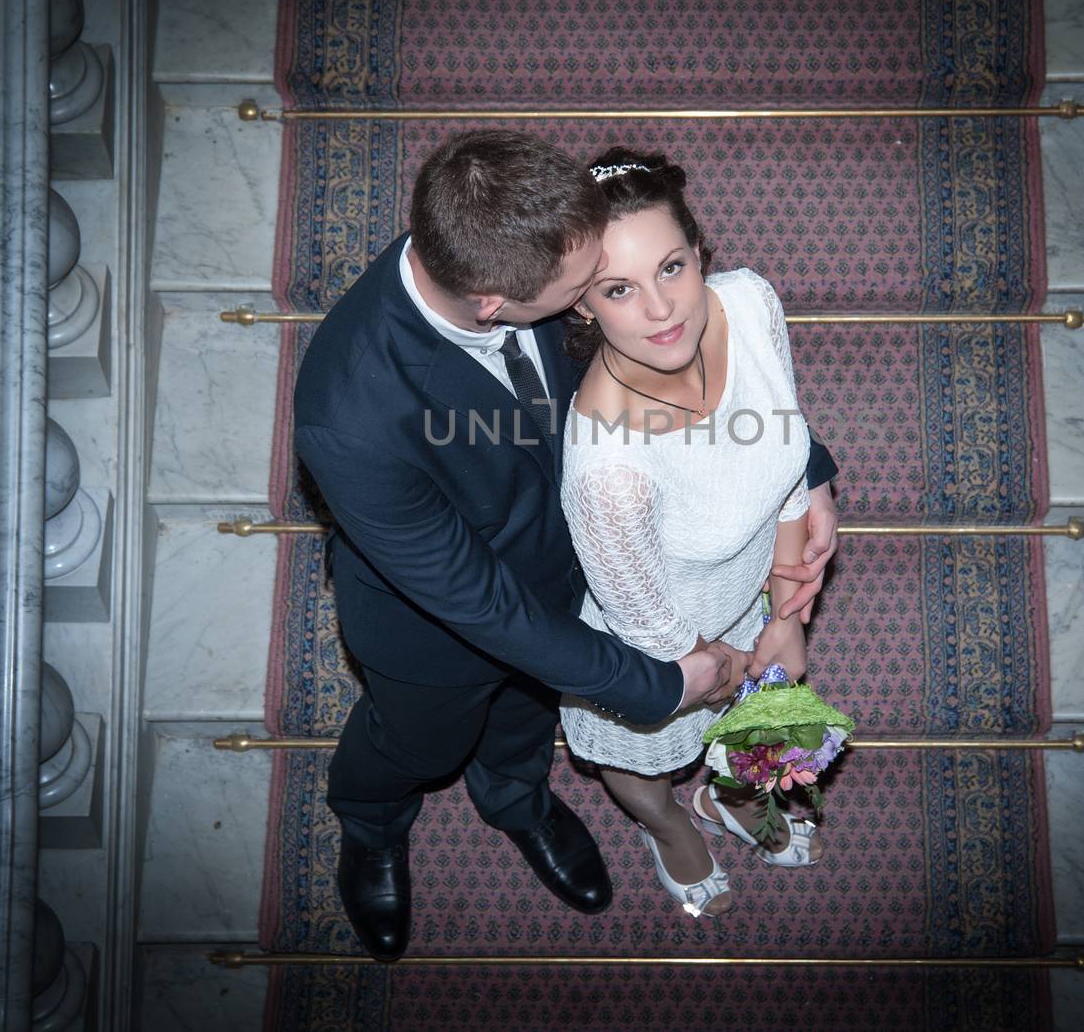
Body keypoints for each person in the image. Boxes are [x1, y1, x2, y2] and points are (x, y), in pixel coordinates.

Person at [292, 130, 841, 959]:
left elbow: (720, 385)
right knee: (419, 741)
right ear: (492, 302)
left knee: (519, 724)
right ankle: (371, 822)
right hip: (439, 626)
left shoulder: (506, 237)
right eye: (590, 289)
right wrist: (653, 683)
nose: (612, 300)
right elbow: (475, 600)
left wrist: (811, 469)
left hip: (575, 574)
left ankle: (516, 800)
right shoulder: (351, 412)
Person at [558, 148, 829, 917]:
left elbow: (785, 452)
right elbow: (650, 628)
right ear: (583, 305)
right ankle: (670, 821)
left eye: (671, 268)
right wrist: (752, 667)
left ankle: (734, 799)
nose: (661, 309)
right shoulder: (607, 464)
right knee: (642, 758)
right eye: (618, 289)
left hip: (752, 590)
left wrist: (786, 610)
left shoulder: (748, 302)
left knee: (770, 719)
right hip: (657, 636)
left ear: (700, 251)